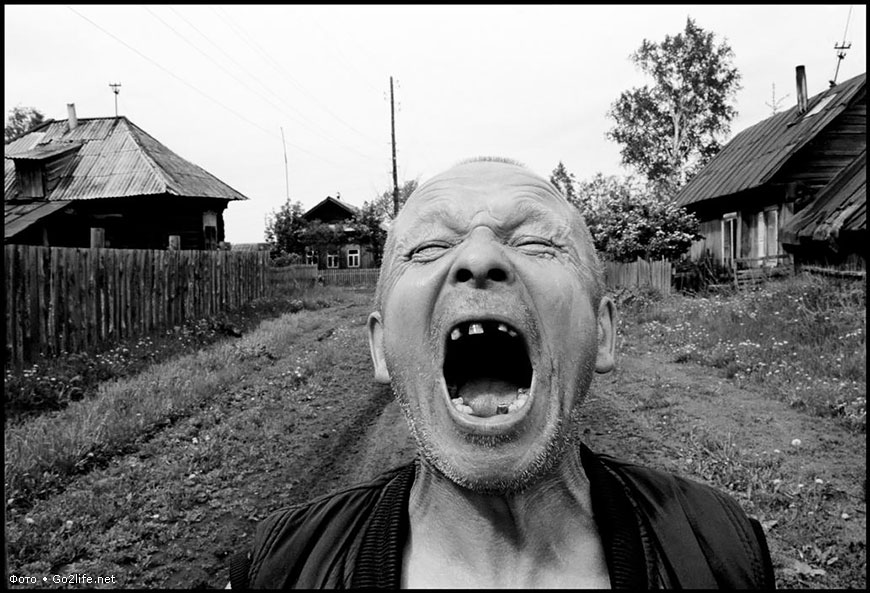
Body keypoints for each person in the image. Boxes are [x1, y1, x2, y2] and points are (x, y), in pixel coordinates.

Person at [228, 157, 775, 589]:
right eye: (430, 247)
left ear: (603, 334)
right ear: (381, 348)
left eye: (536, 242)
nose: (480, 258)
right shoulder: (280, 568)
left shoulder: (719, 552)